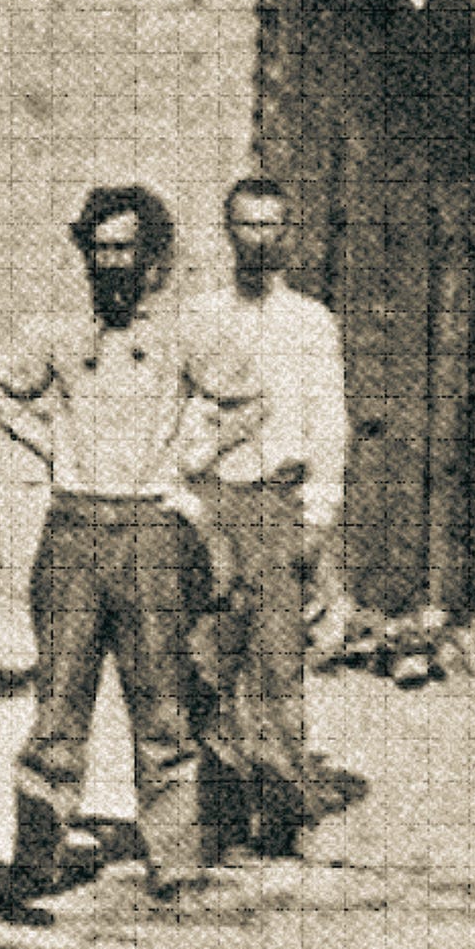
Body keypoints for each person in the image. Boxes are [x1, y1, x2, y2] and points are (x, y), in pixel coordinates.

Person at [0, 185, 259, 905]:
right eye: (98, 249)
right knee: (58, 708)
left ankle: (175, 865)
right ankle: (35, 862)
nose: (110, 264)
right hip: (74, 528)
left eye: (124, 250)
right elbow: (3, 394)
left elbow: (248, 400)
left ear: (151, 260)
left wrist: (194, 459)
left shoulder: (182, 334)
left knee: (163, 708)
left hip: (151, 532)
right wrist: (48, 446)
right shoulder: (58, 332)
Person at [184, 177, 355, 857]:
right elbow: (185, 412)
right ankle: (220, 811)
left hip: (278, 504)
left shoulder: (311, 322)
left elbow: (328, 425)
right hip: (215, 502)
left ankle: (283, 810)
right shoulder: (198, 317)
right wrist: (192, 503)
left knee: (278, 662)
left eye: (272, 226)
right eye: (247, 225)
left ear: (288, 233)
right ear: (229, 231)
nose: (259, 238)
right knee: (209, 654)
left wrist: (319, 515)